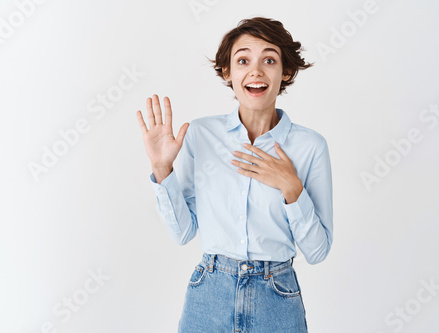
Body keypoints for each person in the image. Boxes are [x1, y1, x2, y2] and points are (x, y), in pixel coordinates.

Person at [136, 16, 333, 333]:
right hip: (209, 293)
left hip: (277, 296)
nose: (256, 71)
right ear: (228, 71)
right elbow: (183, 232)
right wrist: (162, 170)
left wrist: (291, 188)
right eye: (243, 60)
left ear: (285, 71)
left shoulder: (310, 146)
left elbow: (318, 250)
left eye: (269, 59)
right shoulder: (201, 135)